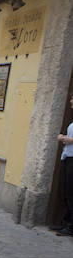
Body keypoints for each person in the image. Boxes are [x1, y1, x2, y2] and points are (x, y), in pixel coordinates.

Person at [52, 93, 73, 236]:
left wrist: (67, 139)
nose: (70, 100)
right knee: (66, 192)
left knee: (71, 193)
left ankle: (71, 226)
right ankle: (66, 223)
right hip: (68, 157)